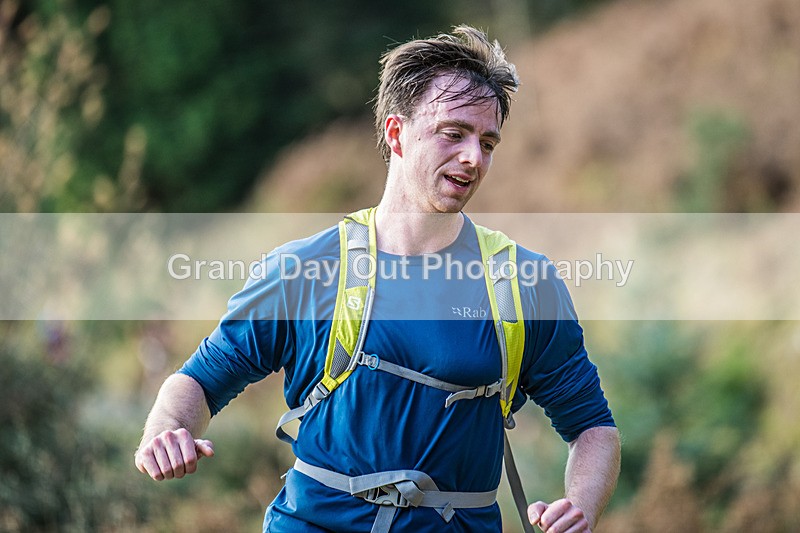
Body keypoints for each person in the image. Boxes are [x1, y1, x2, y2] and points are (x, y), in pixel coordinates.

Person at [135, 25, 620, 533]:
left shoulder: (524, 283)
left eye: (488, 141)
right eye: (453, 133)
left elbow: (593, 428)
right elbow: (199, 380)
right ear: (396, 134)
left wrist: (579, 508)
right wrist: (167, 431)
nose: (474, 158)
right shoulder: (305, 269)